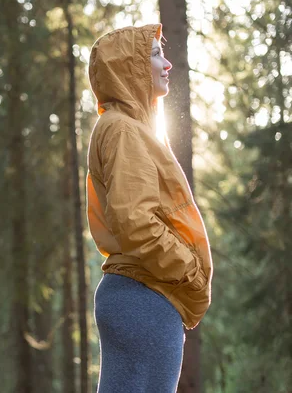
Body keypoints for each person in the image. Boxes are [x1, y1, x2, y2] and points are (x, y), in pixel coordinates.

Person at [86, 24, 214, 392]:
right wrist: (188, 271)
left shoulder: (124, 127)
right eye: (156, 54)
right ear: (129, 67)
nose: (167, 63)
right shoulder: (124, 129)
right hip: (145, 295)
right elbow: (135, 220)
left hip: (139, 294)